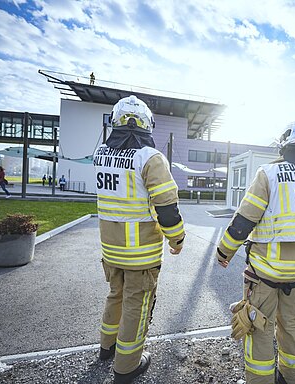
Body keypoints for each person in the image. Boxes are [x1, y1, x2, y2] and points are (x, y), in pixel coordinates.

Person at [216, 120, 295, 384]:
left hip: (265, 272)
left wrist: (224, 251)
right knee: (291, 324)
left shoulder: (269, 174)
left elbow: (244, 219)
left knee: (260, 327)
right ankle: (291, 378)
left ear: (287, 144)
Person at [94, 95, 185, 384]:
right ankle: (127, 366)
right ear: (147, 125)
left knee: (115, 295)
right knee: (137, 304)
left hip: (110, 249)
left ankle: (106, 348)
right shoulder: (150, 158)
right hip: (141, 254)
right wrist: (177, 238)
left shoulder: (101, 155)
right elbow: (167, 207)